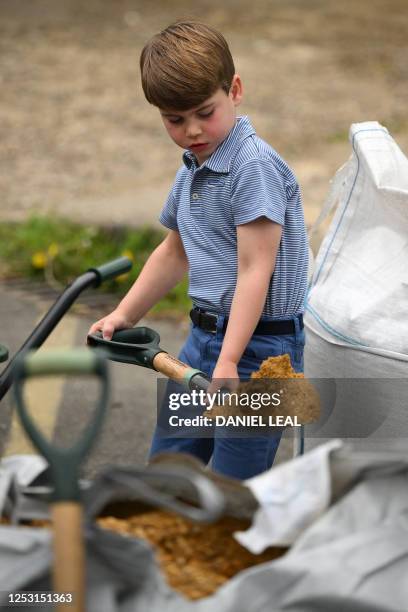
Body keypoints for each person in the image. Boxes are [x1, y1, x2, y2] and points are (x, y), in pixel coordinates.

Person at [88, 20, 308, 480]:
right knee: (170, 471)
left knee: (233, 487)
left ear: (235, 90)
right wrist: (124, 315)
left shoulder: (254, 168)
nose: (191, 131)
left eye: (204, 113)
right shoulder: (193, 165)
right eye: (175, 119)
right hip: (203, 341)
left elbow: (255, 271)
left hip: (260, 350)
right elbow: (174, 251)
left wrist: (229, 360)